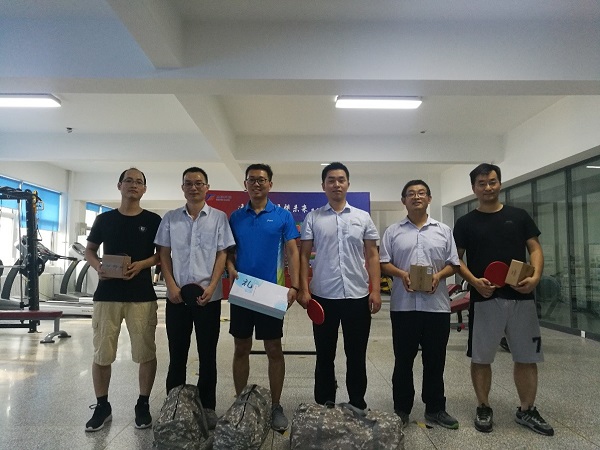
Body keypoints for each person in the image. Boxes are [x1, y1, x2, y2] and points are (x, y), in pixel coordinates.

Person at [453, 163, 554, 436]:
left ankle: (527, 409)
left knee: (527, 356)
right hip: (485, 299)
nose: (488, 187)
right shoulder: (465, 223)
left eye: (492, 181)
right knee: (481, 357)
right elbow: (456, 259)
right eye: (482, 183)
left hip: (522, 298)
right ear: (474, 188)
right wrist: (475, 282)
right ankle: (483, 406)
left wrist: (535, 277)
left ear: (499, 183)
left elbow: (535, 249)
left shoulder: (519, 216)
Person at [154, 167, 235, 430]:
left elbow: (222, 254)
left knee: (207, 354)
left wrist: (213, 286)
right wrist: (171, 286)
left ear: (207, 187)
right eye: (188, 183)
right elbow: (163, 254)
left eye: (199, 183)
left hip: (208, 298)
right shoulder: (171, 218)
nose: (194, 187)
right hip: (177, 296)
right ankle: (174, 406)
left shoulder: (219, 218)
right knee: (177, 353)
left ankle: (208, 407)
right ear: (182, 188)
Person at [298, 162, 381, 411]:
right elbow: (303, 255)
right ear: (323, 185)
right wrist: (304, 289)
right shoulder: (313, 217)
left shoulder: (362, 217)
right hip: (323, 295)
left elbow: (372, 256)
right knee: (325, 354)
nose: (336, 184)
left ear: (348, 184)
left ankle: (357, 401)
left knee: (356, 354)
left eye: (341, 180)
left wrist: (376, 290)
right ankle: (325, 401)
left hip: (357, 295)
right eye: (331, 180)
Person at [84, 168, 162, 432]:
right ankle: (102, 406)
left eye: (139, 182)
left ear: (144, 189)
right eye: (129, 180)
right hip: (107, 296)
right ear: (119, 185)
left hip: (141, 297)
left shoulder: (153, 220)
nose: (133, 185)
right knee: (102, 353)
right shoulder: (104, 219)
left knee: (145, 352)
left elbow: (161, 255)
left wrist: (142, 265)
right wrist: (98, 266)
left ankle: (143, 403)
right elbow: (90, 250)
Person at [379, 180, 460, 429]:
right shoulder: (393, 232)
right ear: (403, 200)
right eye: (411, 194)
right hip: (403, 307)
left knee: (435, 360)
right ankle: (401, 409)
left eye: (421, 193)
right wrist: (401, 274)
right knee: (403, 360)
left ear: (429, 199)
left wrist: (438, 276)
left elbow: (454, 263)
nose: (416, 197)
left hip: (437, 307)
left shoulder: (443, 230)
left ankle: (435, 408)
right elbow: (384, 263)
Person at [226, 163, 300, 431]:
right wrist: (230, 268)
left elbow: (292, 252)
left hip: (272, 292)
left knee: (274, 349)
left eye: (262, 179)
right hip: (244, 290)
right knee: (241, 348)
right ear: (245, 184)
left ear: (270, 184)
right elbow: (228, 253)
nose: (257, 184)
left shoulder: (282, 216)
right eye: (252, 179)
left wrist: (295, 286)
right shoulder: (235, 217)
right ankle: (240, 403)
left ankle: (276, 405)